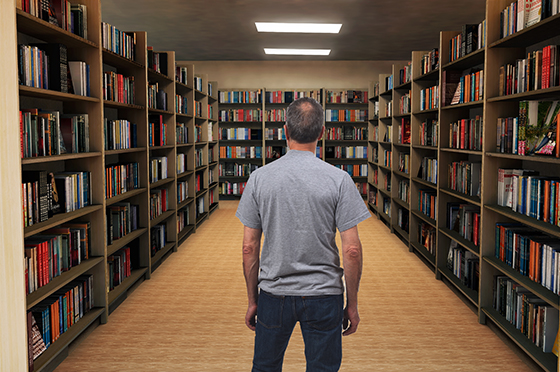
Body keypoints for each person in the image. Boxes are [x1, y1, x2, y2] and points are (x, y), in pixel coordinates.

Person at [236, 97, 371, 371]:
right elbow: (352, 250)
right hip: (324, 295)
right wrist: (352, 304)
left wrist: (253, 300)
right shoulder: (339, 179)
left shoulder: (260, 178)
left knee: (265, 367)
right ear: (322, 132)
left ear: (285, 130)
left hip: (274, 294)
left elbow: (249, 247)